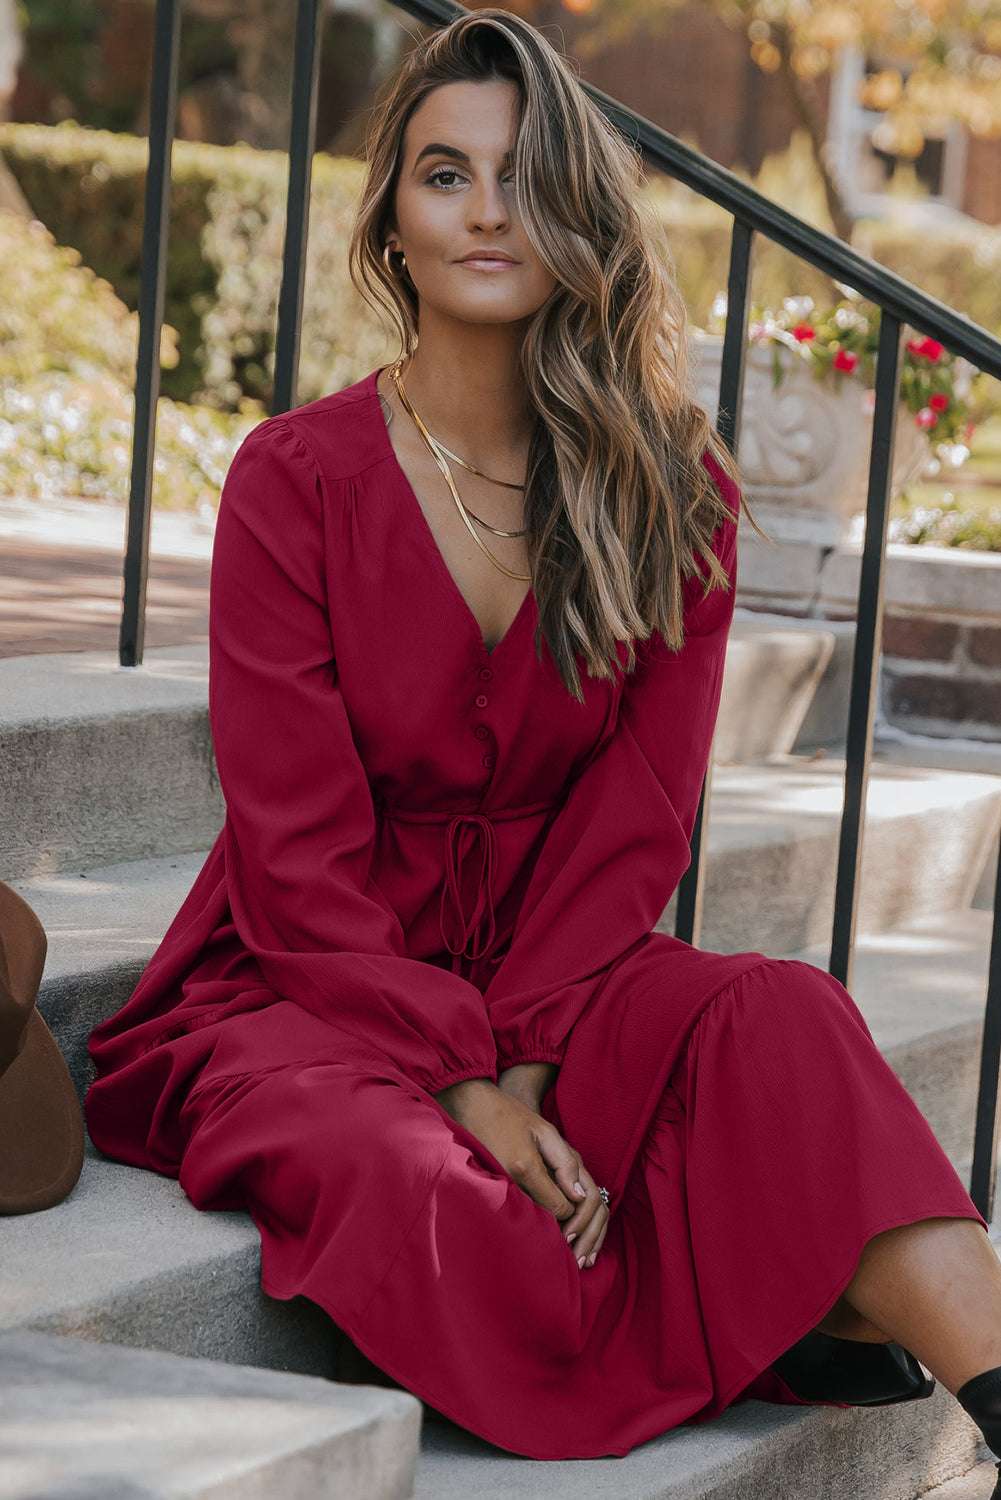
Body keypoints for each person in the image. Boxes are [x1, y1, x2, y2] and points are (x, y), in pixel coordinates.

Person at [84, 6, 1001, 1473]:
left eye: (524, 178)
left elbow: (638, 812)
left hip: (563, 960)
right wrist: (455, 1079)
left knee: (783, 1018)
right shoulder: (294, 481)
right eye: (444, 174)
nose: (486, 212)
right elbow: (297, 842)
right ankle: (762, 1300)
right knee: (405, 1177)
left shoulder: (668, 488)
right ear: (391, 215)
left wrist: (522, 1060)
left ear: (582, 213)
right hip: (313, 976)